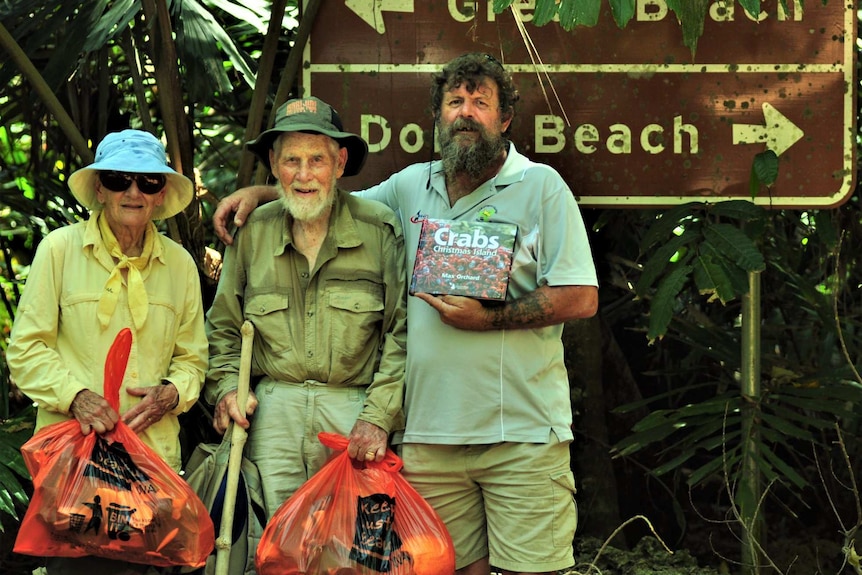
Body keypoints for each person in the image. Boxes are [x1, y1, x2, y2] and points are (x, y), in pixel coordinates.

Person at [213, 53, 599, 575]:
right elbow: (328, 202)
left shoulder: (541, 186)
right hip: (429, 439)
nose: (466, 112)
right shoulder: (411, 187)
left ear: (504, 118)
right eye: (455, 102)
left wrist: (486, 319)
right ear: (438, 116)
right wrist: (264, 192)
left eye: (480, 103)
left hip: (521, 434)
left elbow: (581, 296)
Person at [7, 129, 209, 574]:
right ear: (99, 189)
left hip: (152, 464)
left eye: (148, 182)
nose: (133, 192)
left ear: (160, 195)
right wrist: (75, 397)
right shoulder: (58, 251)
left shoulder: (179, 265)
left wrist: (171, 394)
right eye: (119, 179)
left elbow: (193, 359)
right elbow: (26, 349)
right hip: (75, 467)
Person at [204, 96, 408, 519]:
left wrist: (379, 417)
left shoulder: (379, 229)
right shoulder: (254, 232)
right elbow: (222, 327)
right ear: (275, 164)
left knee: (350, 552)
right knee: (272, 547)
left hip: (354, 411)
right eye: (291, 160)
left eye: (317, 159)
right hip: (272, 415)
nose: (303, 174)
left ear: (340, 162)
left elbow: (402, 335)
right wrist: (226, 390)